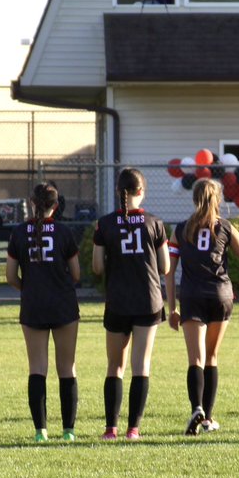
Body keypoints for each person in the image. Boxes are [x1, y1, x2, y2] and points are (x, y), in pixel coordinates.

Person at [166, 178, 239, 435]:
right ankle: (207, 420)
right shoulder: (225, 228)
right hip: (221, 295)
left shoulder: (181, 229)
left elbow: (169, 271)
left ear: (195, 199)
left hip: (193, 296)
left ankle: (197, 408)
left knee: (195, 358)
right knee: (212, 357)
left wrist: (172, 308)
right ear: (217, 199)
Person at [92, 168, 169, 440]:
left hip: (118, 300)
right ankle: (133, 429)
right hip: (148, 299)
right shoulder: (154, 222)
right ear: (141, 191)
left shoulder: (105, 224)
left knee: (115, 366)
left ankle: (110, 428)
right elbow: (165, 266)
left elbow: (98, 267)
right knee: (141, 365)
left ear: (119, 192)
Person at [7, 182, 81, 442]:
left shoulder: (19, 232)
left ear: (31, 202)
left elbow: (10, 276)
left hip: (33, 304)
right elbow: (76, 274)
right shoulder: (64, 232)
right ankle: (68, 431)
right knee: (67, 367)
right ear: (56, 205)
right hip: (63, 304)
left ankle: (41, 431)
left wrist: (28, 288)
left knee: (37, 367)